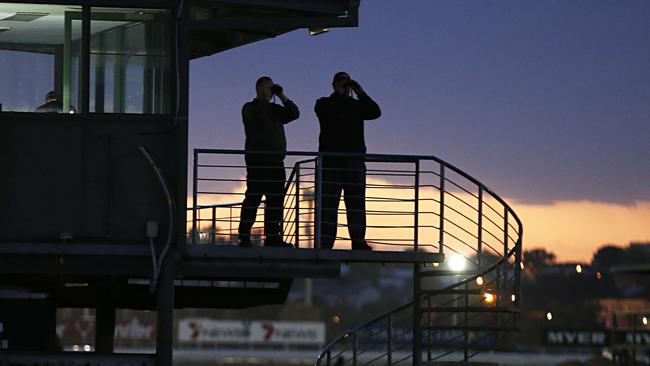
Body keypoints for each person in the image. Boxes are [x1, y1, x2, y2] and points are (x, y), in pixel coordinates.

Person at [314, 71, 381, 250]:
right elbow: (327, 111)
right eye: (341, 82)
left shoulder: (356, 105)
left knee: (356, 204)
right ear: (333, 84)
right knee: (329, 204)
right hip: (332, 162)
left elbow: (375, 112)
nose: (344, 85)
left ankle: (358, 241)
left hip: (354, 162)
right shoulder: (324, 103)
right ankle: (326, 242)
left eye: (346, 82)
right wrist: (348, 96)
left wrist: (360, 92)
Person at [238, 76, 300, 247]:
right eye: (268, 87)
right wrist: (265, 100)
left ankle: (273, 237)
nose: (270, 90)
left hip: (275, 161)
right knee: (253, 198)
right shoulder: (250, 108)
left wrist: (281, 96)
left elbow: (294, 113)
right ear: (260, 89)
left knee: (275, 200)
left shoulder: (275, 109)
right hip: (257, 161)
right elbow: (257, 118)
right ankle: (244, 236)